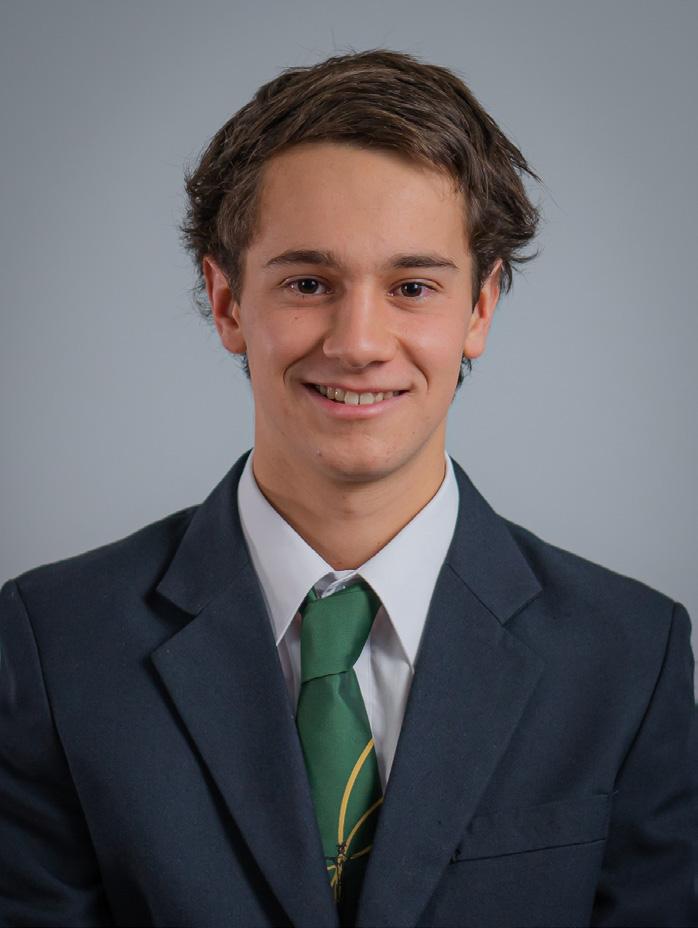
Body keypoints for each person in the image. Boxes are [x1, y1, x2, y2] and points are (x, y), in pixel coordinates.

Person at [0, 47, 695, 928]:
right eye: (307, 283)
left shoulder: (629, 655)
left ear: (480, 309)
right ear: (227, 302)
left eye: (413, 286)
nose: (359, 342)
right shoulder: (52, 644)